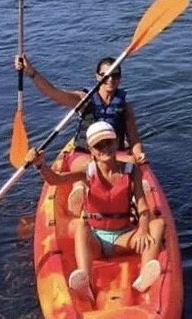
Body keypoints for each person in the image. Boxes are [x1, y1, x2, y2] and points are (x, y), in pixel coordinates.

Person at [26, 121, 164, 303]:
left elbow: (143, 208)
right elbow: (55, 180)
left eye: (108, 143)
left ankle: (144, 276)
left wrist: (142, 230)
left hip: (123, 238)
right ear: (91, 150)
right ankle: (86, 281)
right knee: (81, 225)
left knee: (158, 224)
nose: (104, 149)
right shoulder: (87, 172)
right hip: (96, 241)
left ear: (115, 143)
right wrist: (40, 165)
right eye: (98, 146)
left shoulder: (132, 171)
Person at [15, 53, 145, 172]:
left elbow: (134, 140)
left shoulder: (125, 107)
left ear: (120, 78)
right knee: (93, 167)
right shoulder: (83, 99)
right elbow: (53, 92)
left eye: (115, 75)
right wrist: (32, 73)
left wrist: (139, 156)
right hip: (85, 154)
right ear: (97, 76)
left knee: (131, 164)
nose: (110, 79)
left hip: (114, 153)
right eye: (105, 75)